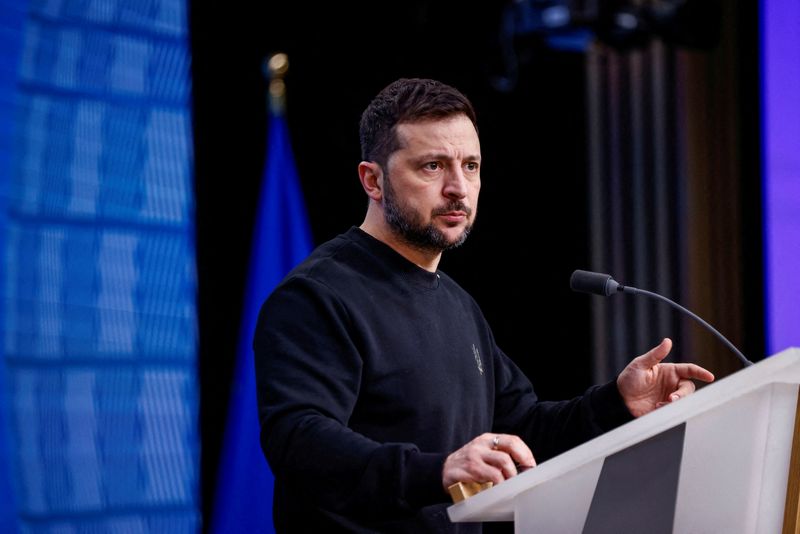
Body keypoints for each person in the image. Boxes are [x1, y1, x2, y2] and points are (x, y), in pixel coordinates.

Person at [253, 77, 714, 533]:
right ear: (372, 180)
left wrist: (617, 402)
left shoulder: (458, 305)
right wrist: (437, 472)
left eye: (470, 166)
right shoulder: (317, 296)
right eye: (432, 166)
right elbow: (300, 442)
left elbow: (524, 430)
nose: (459, 187)